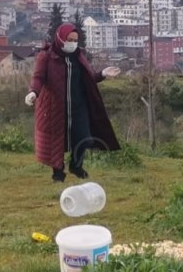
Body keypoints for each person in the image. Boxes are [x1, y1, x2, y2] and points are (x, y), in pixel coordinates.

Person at [25, 22, 121, 182]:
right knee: (56, 141)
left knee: (85, 138)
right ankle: (58, 173)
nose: (72, 43)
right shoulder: (46, 56)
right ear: (60, 38)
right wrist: (33, 92)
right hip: (55, 107)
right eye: (69, 39)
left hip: (79, 107)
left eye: (75, 40)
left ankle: (76, 166)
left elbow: (89, 79)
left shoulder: (79, 56)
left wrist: (103, 73)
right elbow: (38, 77)